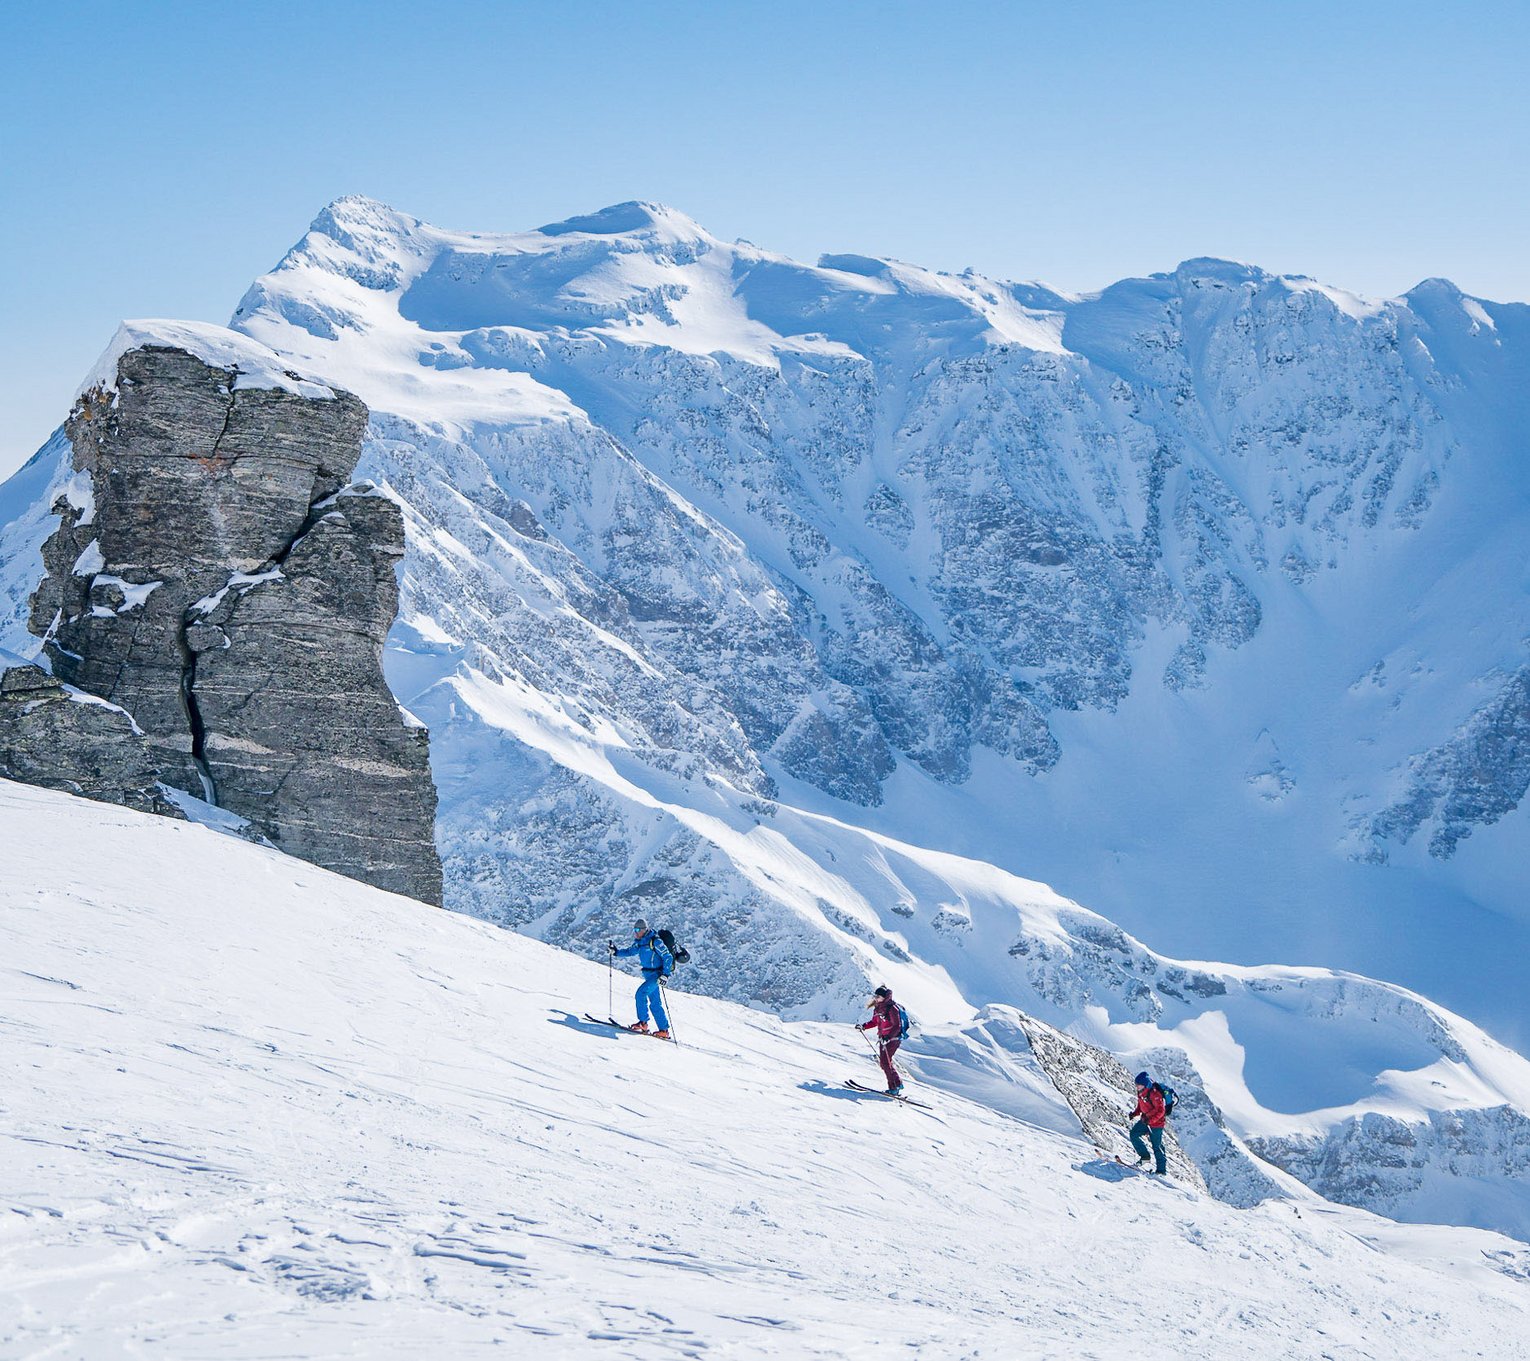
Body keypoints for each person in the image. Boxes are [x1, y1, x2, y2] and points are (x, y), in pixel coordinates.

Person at [609, 918, 674, 1038]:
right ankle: (663, 1030)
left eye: (638, 929)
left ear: (644, 930)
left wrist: (665, 974)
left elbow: (668, 957)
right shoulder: (640, 942)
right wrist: (616, 952)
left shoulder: (655, 941)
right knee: (655, 1003)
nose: (636, 932)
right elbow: (630, 951)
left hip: (657, 975)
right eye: (634, 929)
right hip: (648, 975)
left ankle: (643, 1023)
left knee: (641, 993)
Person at [858, 985, 905, 1096]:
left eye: (878, 996)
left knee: (885, 1063)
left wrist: (888, 1037)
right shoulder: (878, 1008)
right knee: (885, 1063)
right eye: (875, 996)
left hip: (892, 1039)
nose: (876, 998)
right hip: (883, 1039)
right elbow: (875, 1022)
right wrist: (863, 1026)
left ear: (884, 997)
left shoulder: (891, 1008)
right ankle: (897, 1083)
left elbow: (897, 1025)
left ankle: (894, 1088)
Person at [1127, 1070, 1168, 1174]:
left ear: (1145, 1084)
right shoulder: (1141, 1093)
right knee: (1134, 1134)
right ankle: (1145, 1157)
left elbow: (1161, 1111)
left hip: (1156, 1124)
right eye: (1136, 1085)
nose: (1137, 1087)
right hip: (1145, 1120)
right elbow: (1141, 1106)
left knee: (1157, 1146)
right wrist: (1134, 1113)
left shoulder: (1155, 1094)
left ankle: (1161, 1171)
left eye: (1139, 1085)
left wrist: (1150, 1120)